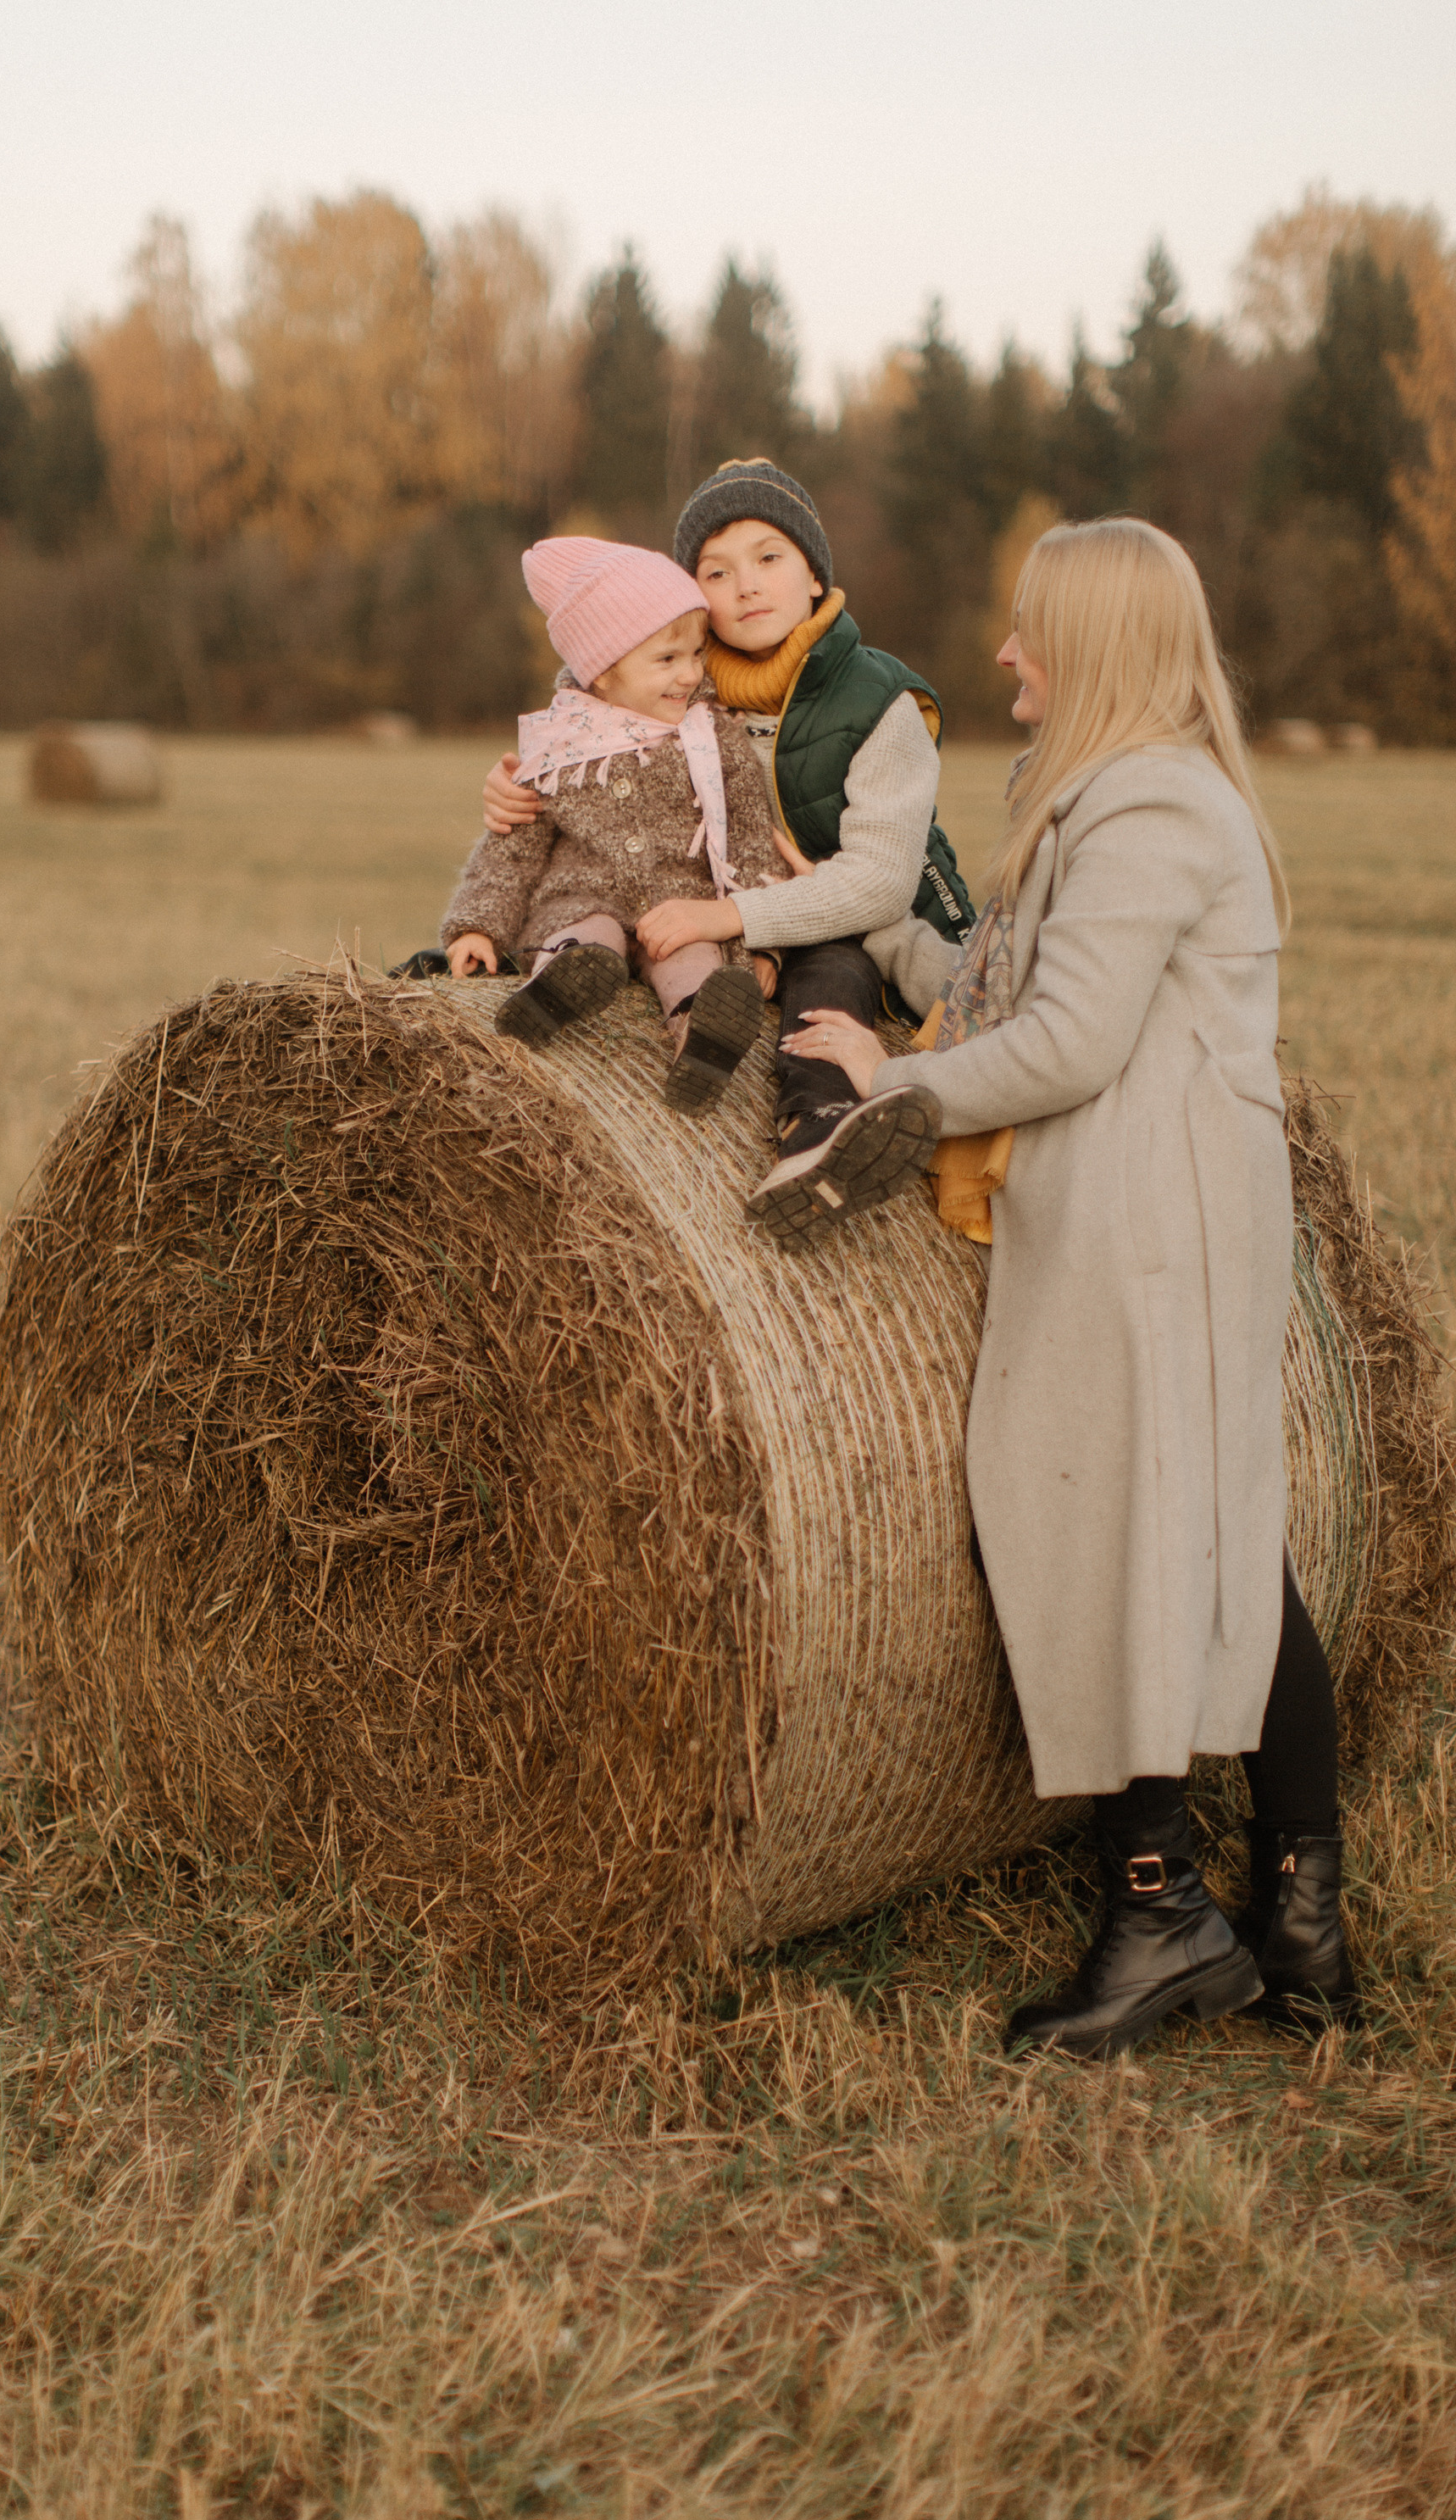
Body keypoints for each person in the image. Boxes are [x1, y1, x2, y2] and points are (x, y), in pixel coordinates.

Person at [782, 516, 1357, 2055]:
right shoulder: (1112, 800)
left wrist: (900, 1096)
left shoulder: (1151, 806)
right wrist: (861, 936)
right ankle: (1300, 1913)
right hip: (1153, 1201)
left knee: (1100, 1516)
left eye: (1032, 628)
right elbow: (1002, 982)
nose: (1005, 652)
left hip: (1147, 1217)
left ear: (1096, 644)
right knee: (1211, 1527)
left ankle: (1162, 1912)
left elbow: (1064, 1043)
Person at [481, 460, 976, 1237]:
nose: (746, 585)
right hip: (720, 923)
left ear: (815, 574)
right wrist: (522, 786)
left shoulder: (881, 704)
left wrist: (726, 920)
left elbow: (878, 887)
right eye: (717, 570)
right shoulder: (679, 684)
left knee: (832, 968)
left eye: (770, 557)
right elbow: (590, 713)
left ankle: (817, 1131)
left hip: (873, 935)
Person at [442, 537, 786, 1111]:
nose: (689, 674)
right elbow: (511, 852)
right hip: (581, 905)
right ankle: (554, 993)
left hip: (678, 911)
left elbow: (751, 840)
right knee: (586, 941)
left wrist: (756, 941)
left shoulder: (713, 737)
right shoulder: (561, 746)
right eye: (667, 659)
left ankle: (704, 1040)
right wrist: (476, 928)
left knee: (692, 959)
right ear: (601, 672)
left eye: (696, 654)